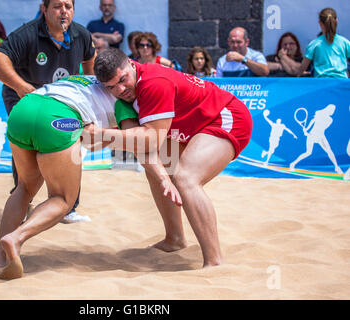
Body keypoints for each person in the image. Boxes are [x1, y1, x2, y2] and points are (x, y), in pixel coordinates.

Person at [91, 48, 253, 267]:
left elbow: (150, 141)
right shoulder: (128, 92)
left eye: (123, 80)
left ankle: (214, 261)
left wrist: (100, 136)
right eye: (111, 87)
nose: (120, 89)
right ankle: (174, 239)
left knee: (185, 178)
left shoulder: (153, 82)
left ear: (131, 63)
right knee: (158, 171)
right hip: (190, 125)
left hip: (224, 115)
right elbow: (144, 150)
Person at [0, 75, 138, 279]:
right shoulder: (127, 100)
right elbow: (108, 141)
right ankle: (15, 238)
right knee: (63, 199)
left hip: (25, 106)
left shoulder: (87, 79)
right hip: (57, 117)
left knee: (24, 188)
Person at [0, 0, 96, 224]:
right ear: (44, 9)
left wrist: (90, 91)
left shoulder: (81, 34)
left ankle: (68, 207)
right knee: (27, 146)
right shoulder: (27, 33)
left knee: (70, 143)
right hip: (25, 96)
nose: (64, 11)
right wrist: (21, 87)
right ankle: (22, 201)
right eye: (57, 6)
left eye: (68, 6)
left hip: (61, 99)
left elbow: (90, 62)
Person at [295, 8, 350, 78]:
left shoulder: (314, 44)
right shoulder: (345, 42)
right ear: (336, 21)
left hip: (321, 84)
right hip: (341, 83)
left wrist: (301, 72)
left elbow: (302, 68)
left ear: (320, 23)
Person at [290, 104, 343, 174]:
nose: (333, 111)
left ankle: (336, 167)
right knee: (308, 152)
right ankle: (293, 164)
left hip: (321, 136)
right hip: (312, 135)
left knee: (329, 151)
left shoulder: (330, 120)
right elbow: (313, 121)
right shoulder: (319, 114)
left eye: (334, 110)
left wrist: (309, 133)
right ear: (328, 109)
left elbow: (322, 128)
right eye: (332, 109)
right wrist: (307, 129)